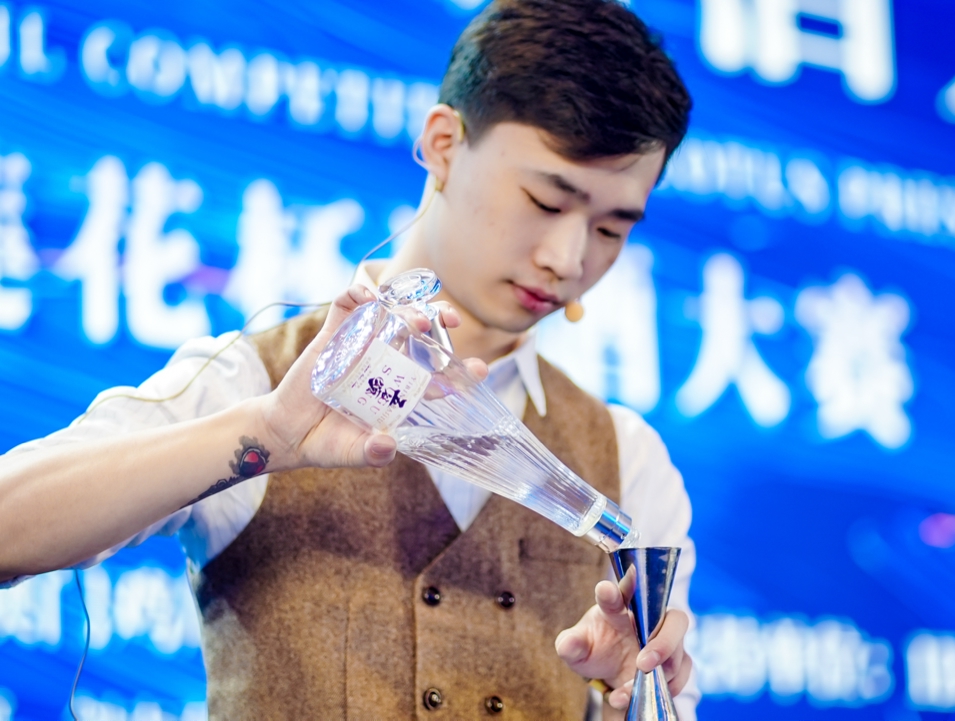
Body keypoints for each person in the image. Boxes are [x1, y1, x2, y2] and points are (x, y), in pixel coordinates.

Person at [0, 0, 697, 718]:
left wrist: (631, 695)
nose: (569, 259)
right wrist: (266, 435)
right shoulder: (258, 378)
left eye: (611, 229)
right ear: (443, 144)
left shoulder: (626, 458)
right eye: (547, 202)